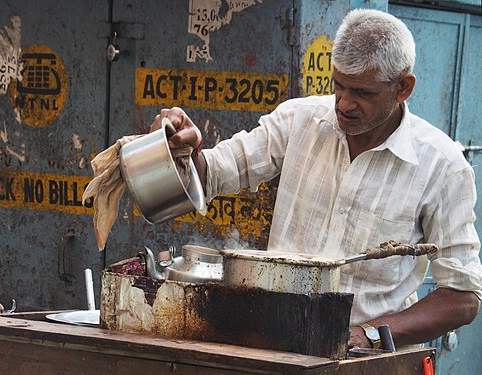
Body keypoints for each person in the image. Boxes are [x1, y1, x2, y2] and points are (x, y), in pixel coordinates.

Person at [150, 9, 482, 349]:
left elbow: (462, 296)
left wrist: (369, 334)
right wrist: (183, 150)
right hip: (278, 346)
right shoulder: (300, 120)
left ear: (402, 88)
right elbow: (214, 173)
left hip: (367, 363)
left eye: (362, 93)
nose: (344, 104)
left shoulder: (443, 166)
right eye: (338, 86)